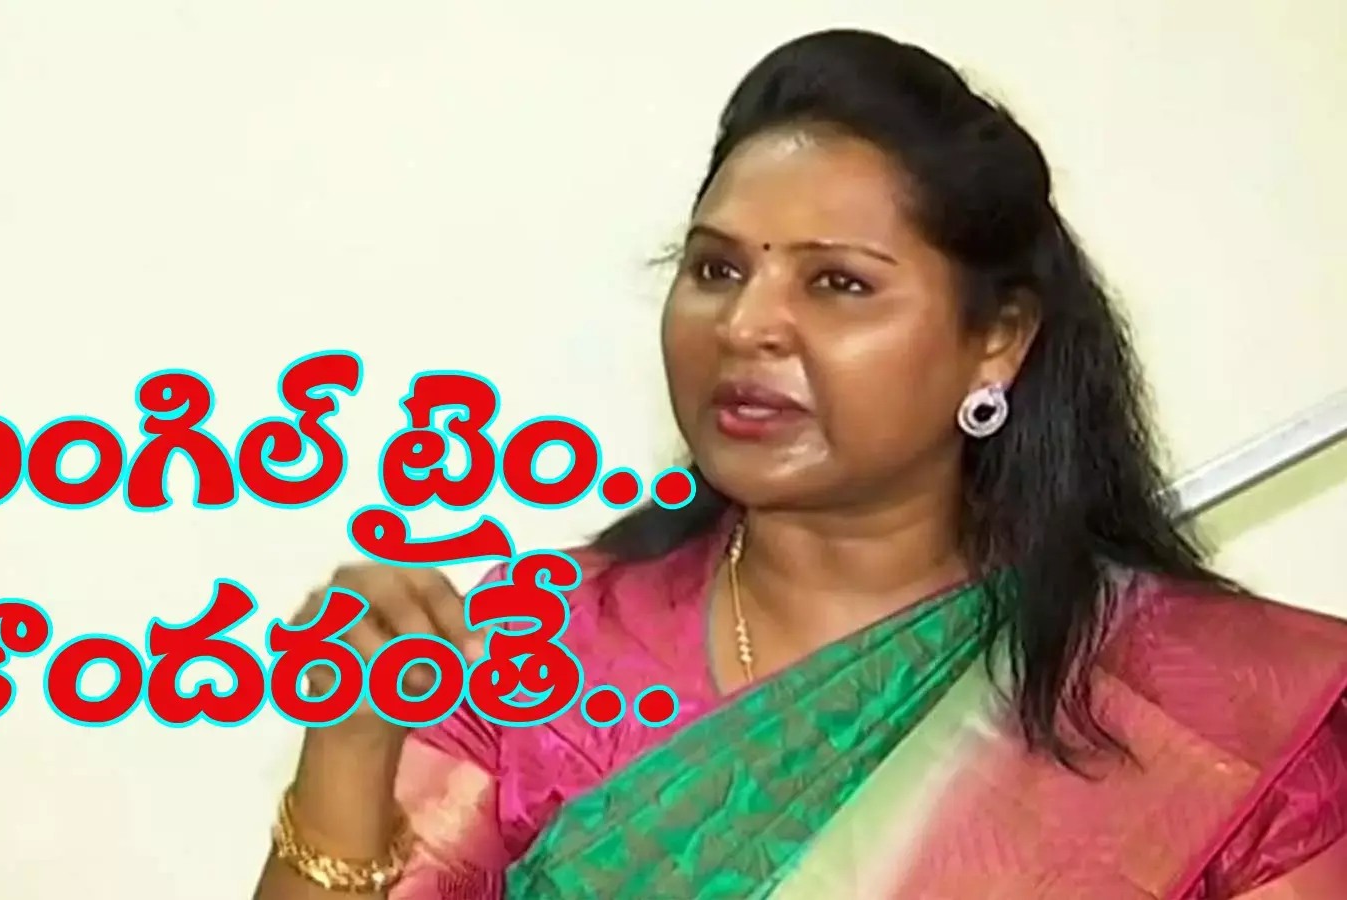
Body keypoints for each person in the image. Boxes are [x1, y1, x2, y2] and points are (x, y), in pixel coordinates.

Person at [252, 28, 1347, 899]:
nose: (746, 326)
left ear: (998, 340)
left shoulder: (1197, 713)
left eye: (838, 284)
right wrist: (347, 749)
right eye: (715, 271)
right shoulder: (537, 656)